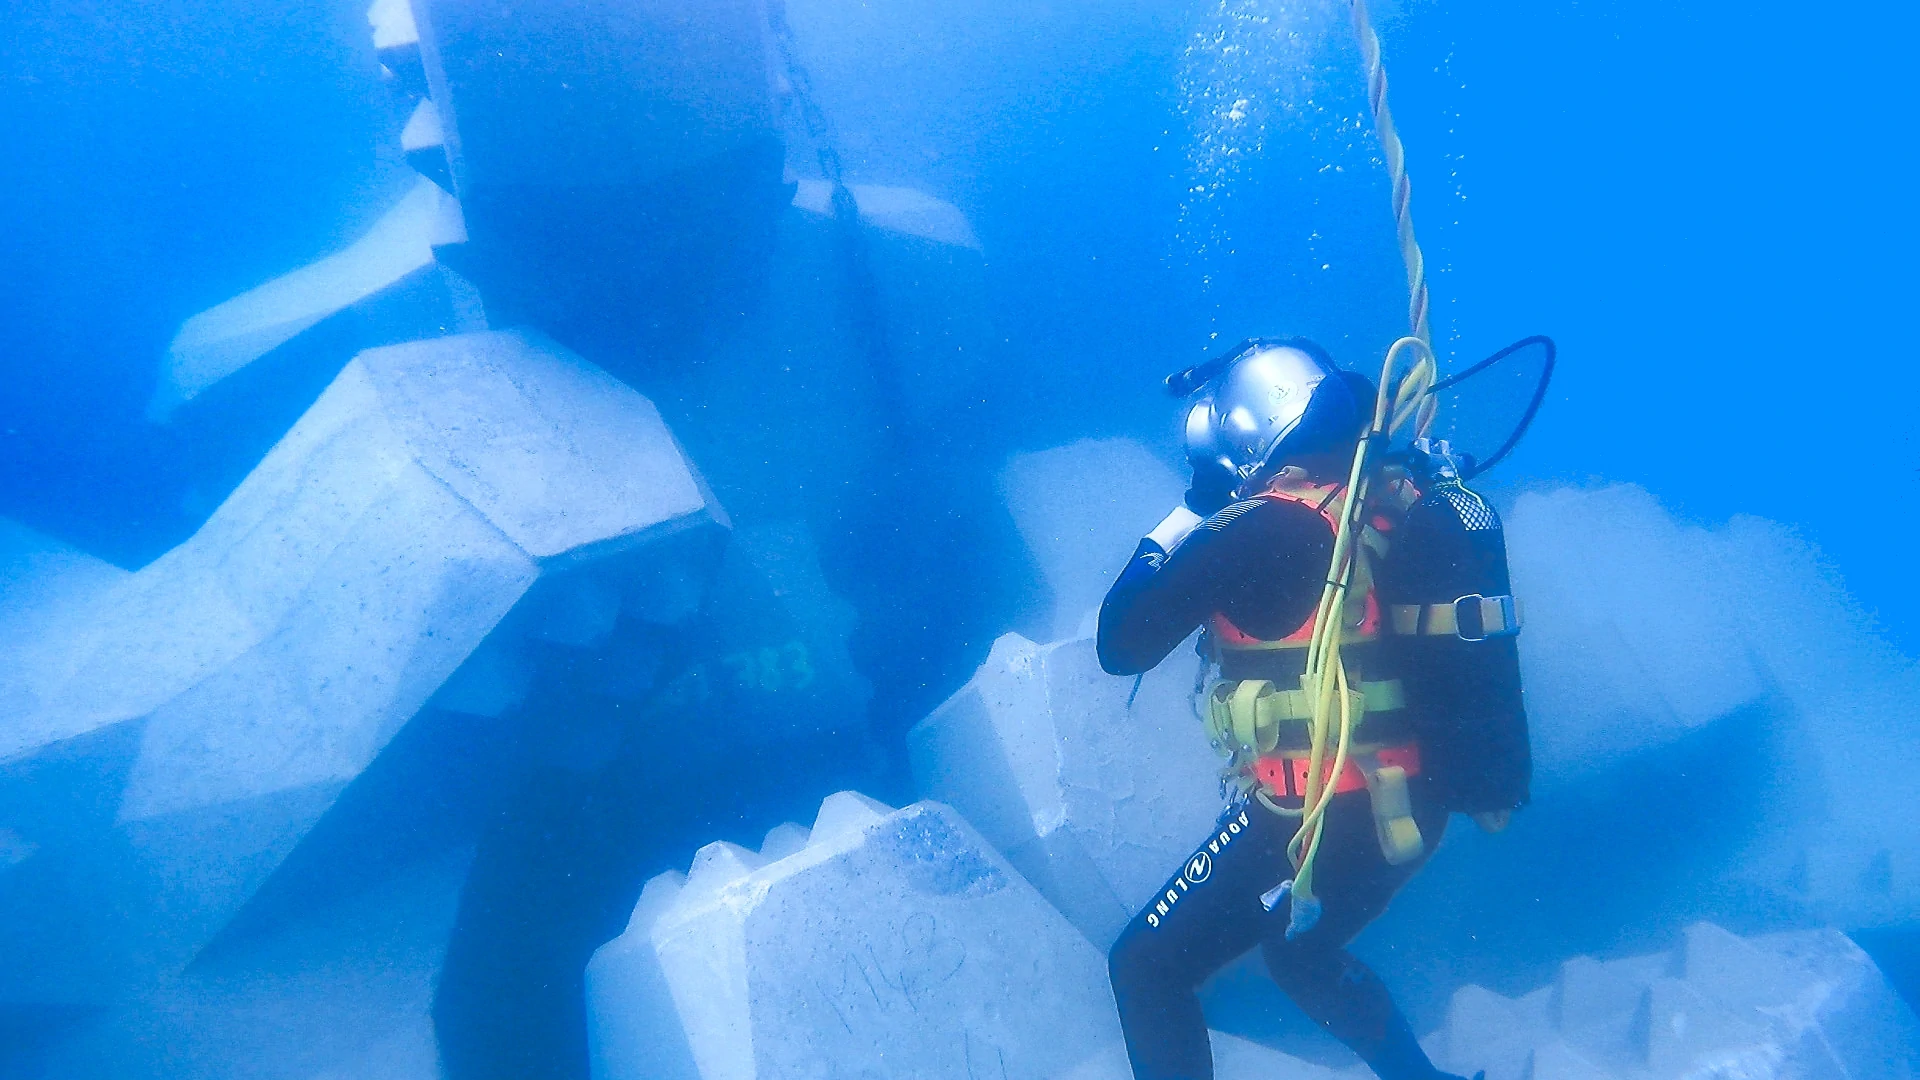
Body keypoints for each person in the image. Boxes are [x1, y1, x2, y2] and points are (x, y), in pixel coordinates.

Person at [1097, 338, 1530, 1080]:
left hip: (1314, 817)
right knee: (1299, 951)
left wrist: (1187, 510)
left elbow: (1120, 643)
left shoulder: (1256, 527)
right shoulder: (1389, 502)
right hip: (1413, 809)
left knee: (1144, 966)